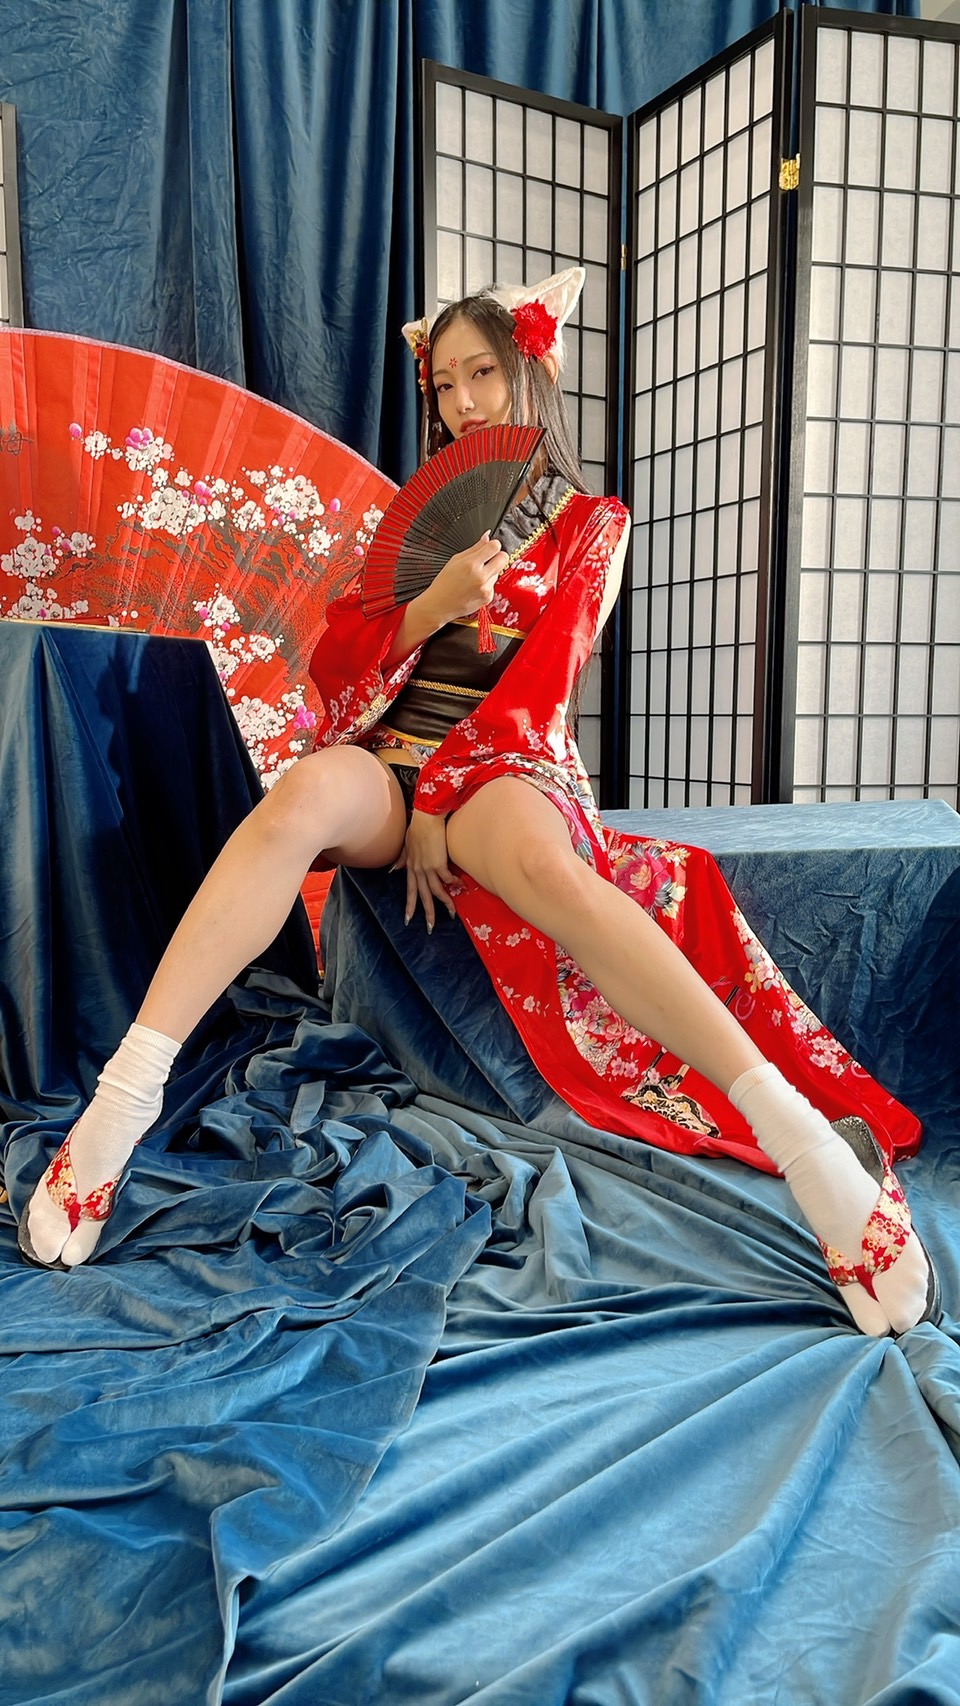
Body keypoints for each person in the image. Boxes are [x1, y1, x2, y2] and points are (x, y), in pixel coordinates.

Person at [18, 268, 938, 1341]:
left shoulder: (592, 524)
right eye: (445, 385)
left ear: (531, 374)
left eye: (483, 375)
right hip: (392, 758)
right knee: (301, 796)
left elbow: (543, 681)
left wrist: (444, 803)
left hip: (507, 759)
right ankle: (124, 1098)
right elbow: (337, 663)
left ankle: (805, 1146)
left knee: (543, 865)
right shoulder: (415, 530)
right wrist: (432, 605)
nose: (463, 403)